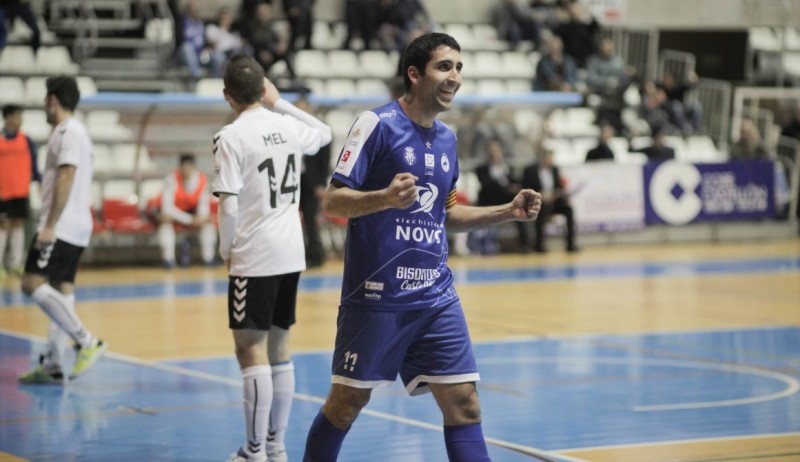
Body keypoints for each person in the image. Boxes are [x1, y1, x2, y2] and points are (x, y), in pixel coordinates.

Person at [302, 32, 542, 462]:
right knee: (345, 405)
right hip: (378, 299)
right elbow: (333, 201)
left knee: (464, 404)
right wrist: (384, 198)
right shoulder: (375, 125)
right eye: (444, 67)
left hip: (435, 297)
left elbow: (447, 215)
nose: (455, 77)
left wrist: (508, 211)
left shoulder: (448, 140)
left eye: (459, 68)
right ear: (414, 74)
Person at [212, 54, 332, 462]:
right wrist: (279, 103)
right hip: (290, 252)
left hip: (255, 253)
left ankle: (253, 450)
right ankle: (276, 447)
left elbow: (227, 206)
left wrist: (226, 251)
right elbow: (325, 131)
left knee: (250, 351)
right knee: (279, 349)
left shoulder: (230, 136)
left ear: (227, 96)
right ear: (263, 88)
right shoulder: (286, 125)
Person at [17, 76, 106, 384]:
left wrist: (49, 225)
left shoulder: (68, 131)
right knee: (60, 291)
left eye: (45, 98)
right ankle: (54, 363)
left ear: (53, 99)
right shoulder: (77, 132)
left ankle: (87, 341)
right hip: (78, 224)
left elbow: (67, 176)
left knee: (30, 283)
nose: (43, 104)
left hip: (62, 225)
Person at [148, 153, 216, 268]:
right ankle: (168, 259)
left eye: (189, 166)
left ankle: (208, 258)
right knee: (165, 222)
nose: (186, 169)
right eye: (183, 166)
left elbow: (203, 202)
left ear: (193, 167)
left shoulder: (202, 179)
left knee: (208, 224)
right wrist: (189, 219)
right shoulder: (172, 179)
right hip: (169, 212)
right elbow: (167, 207)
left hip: (189, 211)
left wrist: (201, 217)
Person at [0, 104, 40, 279]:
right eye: (17, 116)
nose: (20, 120)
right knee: (3, 226)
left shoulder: (26, 140)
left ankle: (15, 264)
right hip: (3, 191)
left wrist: (39, 180)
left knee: (18, 225)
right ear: (8, 117)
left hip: (21, 190)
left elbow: (35, 164)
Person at [474, 137, 529, 253]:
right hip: (489, 200)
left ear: (501, 150)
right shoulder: (481, 169)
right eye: (491, 150)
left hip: (507, 200)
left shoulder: (509, 168)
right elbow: (487, 186)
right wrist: (505, 187)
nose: (494, 153)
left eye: (496, 150)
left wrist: (509, 188)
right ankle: (483, 244)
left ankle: (525, 245)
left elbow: (516, 184)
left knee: (521, 208)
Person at [295, 97, 331, 268]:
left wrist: (321, 184)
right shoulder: (292, 130)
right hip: (294, 181)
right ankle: (299, 255)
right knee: (294, 220)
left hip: (312, 182)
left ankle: (316, 256)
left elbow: (324, 162)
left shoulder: (319, 131)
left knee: (310, 219)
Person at [522, 149, 577, 253]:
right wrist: (540, 195)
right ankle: (539, 245)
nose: (551, 161)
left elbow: (559, 187)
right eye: (549, 158)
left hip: (554, 202)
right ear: (542, 158)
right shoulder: (530, 170)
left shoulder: (555, 170)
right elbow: (525, 188)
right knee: (540, 211)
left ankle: (570, 244)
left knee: (569, 209)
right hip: (539, 202)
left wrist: (562, 195)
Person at [205, 6, 243, 78]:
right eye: (222, 15)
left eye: (227, 16)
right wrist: (223, 29)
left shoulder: (234, 34)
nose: (224, 18)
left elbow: (239, 46)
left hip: (230, 55)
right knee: (219, 57)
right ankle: (216, 82)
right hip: (215, 55)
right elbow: (212, 43)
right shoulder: (212, 28)